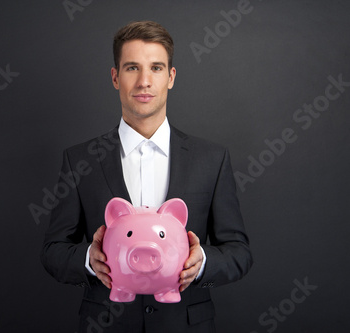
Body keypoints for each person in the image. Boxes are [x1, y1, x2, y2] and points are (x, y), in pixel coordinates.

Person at [41, 20, 253, 333]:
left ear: (171, 77)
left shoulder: (212, 159)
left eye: (155, 68)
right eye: (131, 68)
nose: (144, 81)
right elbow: (53, 251)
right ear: (115, 77)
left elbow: (239, 252)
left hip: (186, 325)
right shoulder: (79, 160)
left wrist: (203, 262)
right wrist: (90, 259)